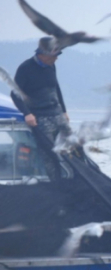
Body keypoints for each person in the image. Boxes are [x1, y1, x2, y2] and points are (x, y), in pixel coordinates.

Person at [10, 37, 72, 180]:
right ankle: (56, 183)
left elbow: (56, 88)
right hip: (41, 117)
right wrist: (27, 114)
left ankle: (75, 178)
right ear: (43, 54)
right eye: (54, 56)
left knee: (72, 146)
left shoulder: (51, 66)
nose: (56, 59)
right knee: (49, 152)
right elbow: (15, 94)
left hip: (57, 113)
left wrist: (64, 110)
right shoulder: (25, 68)